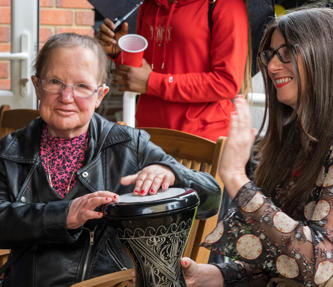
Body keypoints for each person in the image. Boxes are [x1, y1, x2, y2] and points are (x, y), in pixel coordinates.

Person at [0, 33, 220, 287]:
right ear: (37, 86)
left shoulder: (128, 145)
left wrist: (171, 171)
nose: (67, 97)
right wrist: (63, 215)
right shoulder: (10, 150)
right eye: (55, 82)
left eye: (81, 86)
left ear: (100, 95)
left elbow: (211, 199)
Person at [181, 7, 333, 287]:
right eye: (271, 54)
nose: (272, 67)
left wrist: (238, 179)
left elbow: (322, 267)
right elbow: (279, 256)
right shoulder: (290, 141)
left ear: (323, 57)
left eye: (286, 53)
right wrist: (217, 275)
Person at [97, 0, 250, 141]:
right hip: (150, 134)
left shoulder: (226, 5)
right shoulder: (150, 5)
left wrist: (152, 82)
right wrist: (119, 51)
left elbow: (226, 83)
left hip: (202, 139)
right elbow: (145, 70)